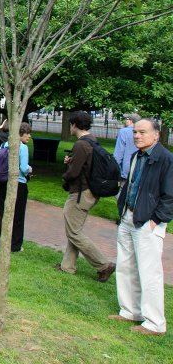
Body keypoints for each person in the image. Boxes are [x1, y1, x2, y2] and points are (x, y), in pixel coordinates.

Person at [110, 118, 173, 336]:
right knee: (125, 265)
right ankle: (130, 311)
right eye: (135, 132)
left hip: (148, 222)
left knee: (149, 272)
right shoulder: (137, 155)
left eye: (142, 132)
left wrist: (156, 220)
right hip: (128, 217)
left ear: (156, 135)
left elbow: (170, 195)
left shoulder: (165, 159)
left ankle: (155, 323)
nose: (137, 136)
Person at [57, 111, 116, 281]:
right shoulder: (92, 141)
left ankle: (103, 264)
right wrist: (72, 162)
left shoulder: (81, 145)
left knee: (74, 232)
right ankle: (67, 266)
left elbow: (74, 173)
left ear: (74, 124)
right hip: (89, 191)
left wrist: (66, 173)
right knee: (73, 229)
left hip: (81, 193)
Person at [0, 123, 32, 252]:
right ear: (22, 133)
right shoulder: (23, 148)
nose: (29, 136)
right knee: (18, 216)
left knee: (4, 214)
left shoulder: (5, 145)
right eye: (27, 134)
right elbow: (23, 168)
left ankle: (1, 241)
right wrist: (30, 169)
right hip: (18, 183)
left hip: (3, 182)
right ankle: (15, 244)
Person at [114, 113, 140, 183]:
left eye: (126, 119)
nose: (125, 121)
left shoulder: (124, 132)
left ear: (130, 120)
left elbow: (118, 155)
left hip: (126, 171)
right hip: (140, 170)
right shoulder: (142, 132)